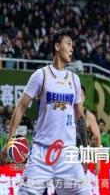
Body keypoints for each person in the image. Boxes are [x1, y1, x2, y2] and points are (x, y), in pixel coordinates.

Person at [0, 29, 90, 194]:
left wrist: (86, 148)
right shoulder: (40, 75)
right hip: (41, 153)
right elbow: (21, 107)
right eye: (68, 44)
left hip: (68, 154)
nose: (72, 48)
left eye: (73, 45)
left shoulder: (74, 79)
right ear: (57, 46)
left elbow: (80, 116)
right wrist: (9, 141)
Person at [79, 86, 102, 176]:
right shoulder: (66, 113)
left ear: (84, 98)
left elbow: (97, 138)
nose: (79, 97)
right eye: (77, 94)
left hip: (81, 159)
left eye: (81, 94)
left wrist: (98, 163)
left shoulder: (89, 116)